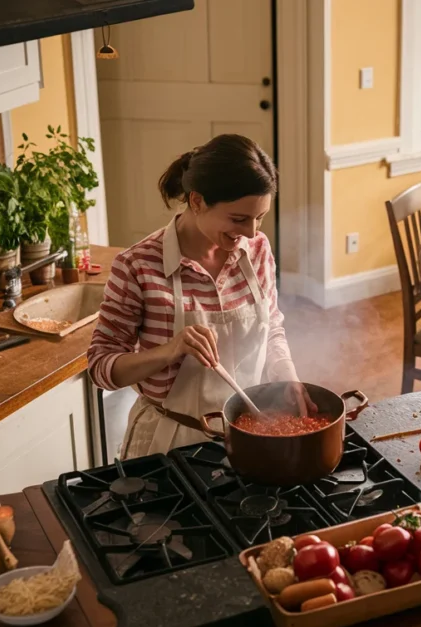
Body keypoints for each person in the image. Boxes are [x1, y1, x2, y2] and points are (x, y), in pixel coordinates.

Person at [87, 134, 314, 459]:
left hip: (249, 434)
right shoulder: (138, 265)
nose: (251, 232)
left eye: (259, 217)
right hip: (169, 445)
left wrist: (287, 377)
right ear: (197, 201)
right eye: (238, 218)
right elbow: (101, 367)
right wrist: (171, 350)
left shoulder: (258, 249)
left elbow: (272, 327)